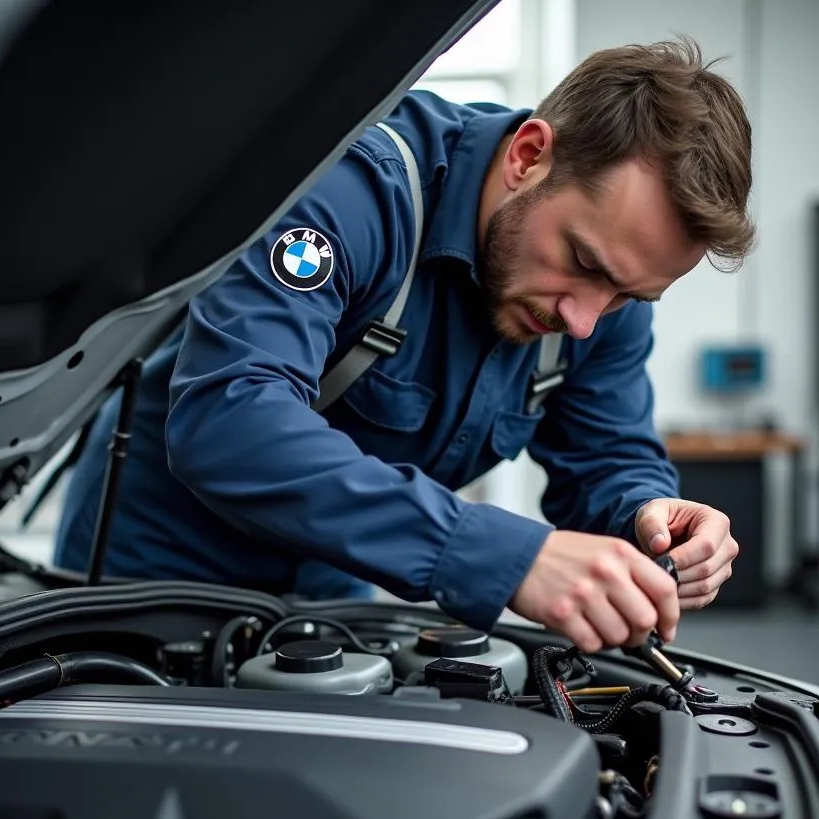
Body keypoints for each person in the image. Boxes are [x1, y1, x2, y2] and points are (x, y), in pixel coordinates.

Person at [54, 37, 753, 654]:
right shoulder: (353, 191)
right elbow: (230, 417)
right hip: (149, 568)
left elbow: (605, 455)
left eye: (630, 295)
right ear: (529, 156)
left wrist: (648, 515)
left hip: (332, 579)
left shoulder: (605, 292)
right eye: (586, 264)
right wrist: (500, 557)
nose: (585, 320)